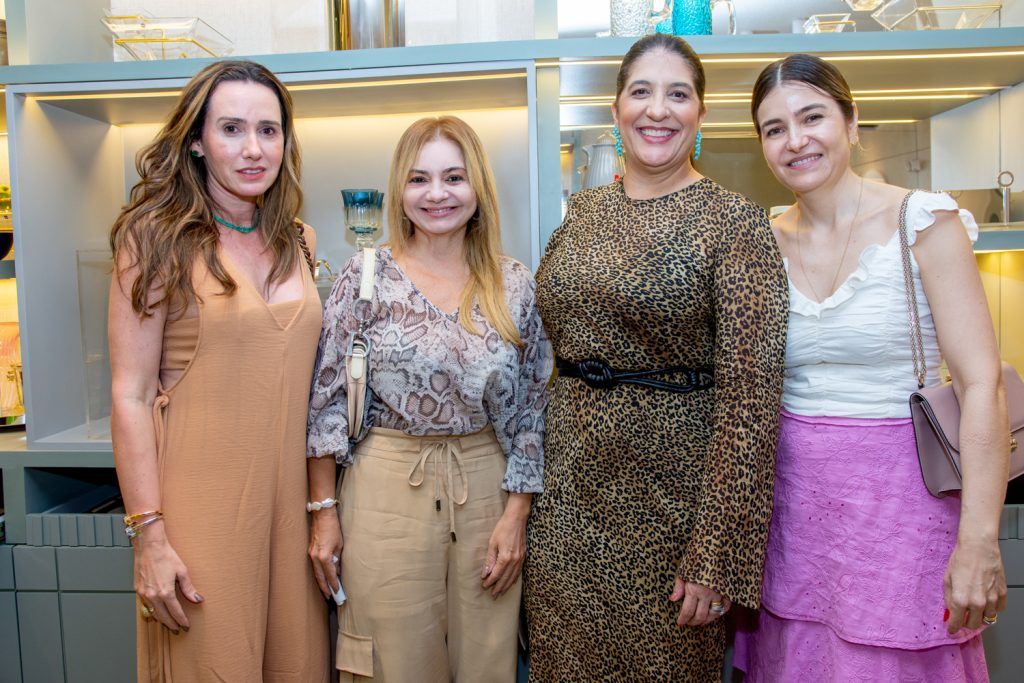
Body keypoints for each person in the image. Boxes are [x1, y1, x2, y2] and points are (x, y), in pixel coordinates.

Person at [734, 53, 1010, 681]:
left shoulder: (923, 220)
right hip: (794, 516)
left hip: (904, 511)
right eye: (774, 129)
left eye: (812, 117)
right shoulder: (761, 241)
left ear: (852, 121)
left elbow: (980, 385)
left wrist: (979, 540)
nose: (795, 140)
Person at [523, 33, 789, 680]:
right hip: (567, 506)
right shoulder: (580, 215)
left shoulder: (737, 224)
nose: (658, 110)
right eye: (641, 92)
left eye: (678, 94)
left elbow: (751, 404)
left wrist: (718, 554)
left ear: (701, 114)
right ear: (616, 110)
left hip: (673, 519)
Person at [306, 115, 551, 682]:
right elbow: (326, 405)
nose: (437, 194)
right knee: (389, 659)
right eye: (419, 179)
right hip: (386, 484)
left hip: (487, 485)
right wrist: (323, 515)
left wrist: (517, 514)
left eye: (453, 178)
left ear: (477, 187)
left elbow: (533, 408)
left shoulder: (513, 283)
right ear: (400, 189)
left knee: (488, 658)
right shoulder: (364, 277)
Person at [108, 60, 329, 681]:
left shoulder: (300, 240)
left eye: (269, 130)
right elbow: (129, 394)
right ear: (197, 142)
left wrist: (323, 508)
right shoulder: (153, 240)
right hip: (200, 512)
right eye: (231, 129)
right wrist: (149, 537)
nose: (254, 148)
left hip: (290, 518)